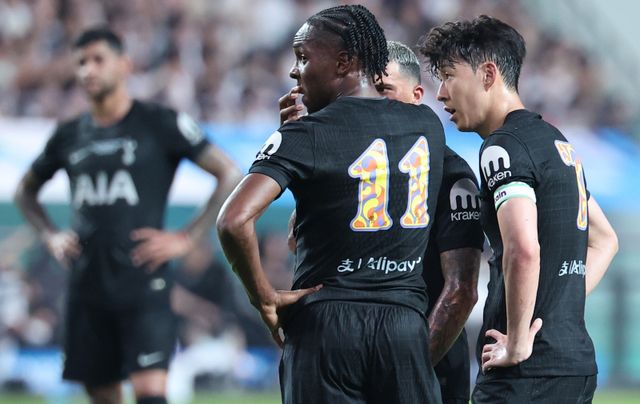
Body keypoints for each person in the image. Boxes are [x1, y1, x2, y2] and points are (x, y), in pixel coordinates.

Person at [217, 5, 445, 403]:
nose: (294, 71)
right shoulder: (427, 124)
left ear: (343, 63)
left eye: (303, 58)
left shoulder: (305, 135)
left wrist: (264, 298)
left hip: (326, 324)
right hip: (404, 324)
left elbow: (233, 221)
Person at [14, 27, 241, 404]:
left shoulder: (159, 122)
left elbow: (229, 174)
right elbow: (24, 192)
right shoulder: (69, 134)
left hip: (144, 282)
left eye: (98, 60)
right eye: (81, 62)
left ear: (125, 65)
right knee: (103, 396)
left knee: (151, 395)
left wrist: (186, 237)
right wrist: (50, 235)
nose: (88, 70)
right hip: (87, 283)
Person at [419, 15, 619, 403]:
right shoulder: (556, 143)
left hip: (525, 372)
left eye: (448, 76)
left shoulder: (503, 147)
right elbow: (605, 240)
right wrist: (556, 305)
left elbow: (523, 248)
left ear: (487, 74)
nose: (440, 93)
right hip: (574, 363)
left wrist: (517, 340)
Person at [280, 40, 483, 404]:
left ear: (417, 96)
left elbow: (461, 291)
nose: (372, 101)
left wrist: (406, 368)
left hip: (426, 356)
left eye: (384, 90)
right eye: (368, 90)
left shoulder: (451, 173)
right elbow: (298, 243)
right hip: (359, 352)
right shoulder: (352, 164)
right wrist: (305, 162)